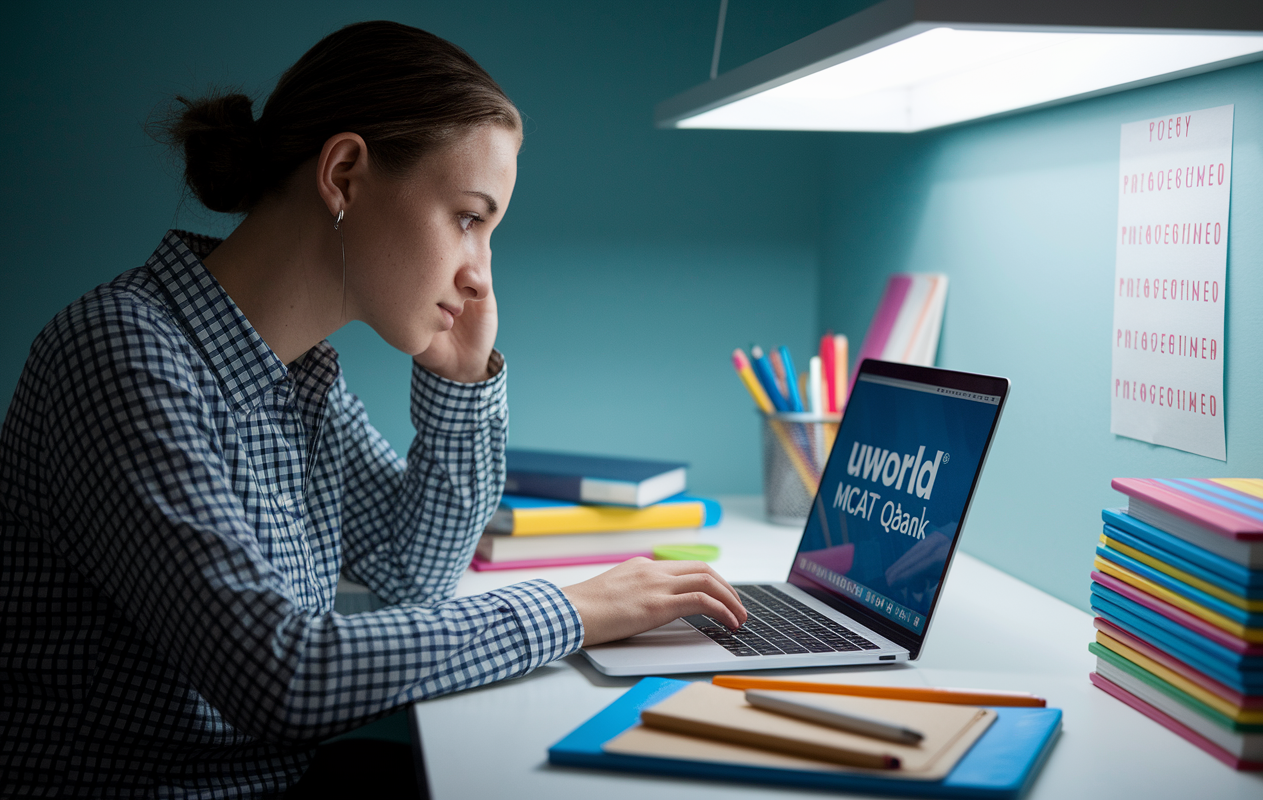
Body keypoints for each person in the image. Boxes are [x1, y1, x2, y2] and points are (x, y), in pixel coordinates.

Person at [0, 20, 747, 798]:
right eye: (468, 219)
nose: (480, 276)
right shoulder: (122, 352)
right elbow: (281, 676)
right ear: (346, 174)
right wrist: (571, 610)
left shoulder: (301, 377)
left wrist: (461, 389)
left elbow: (410, 576)